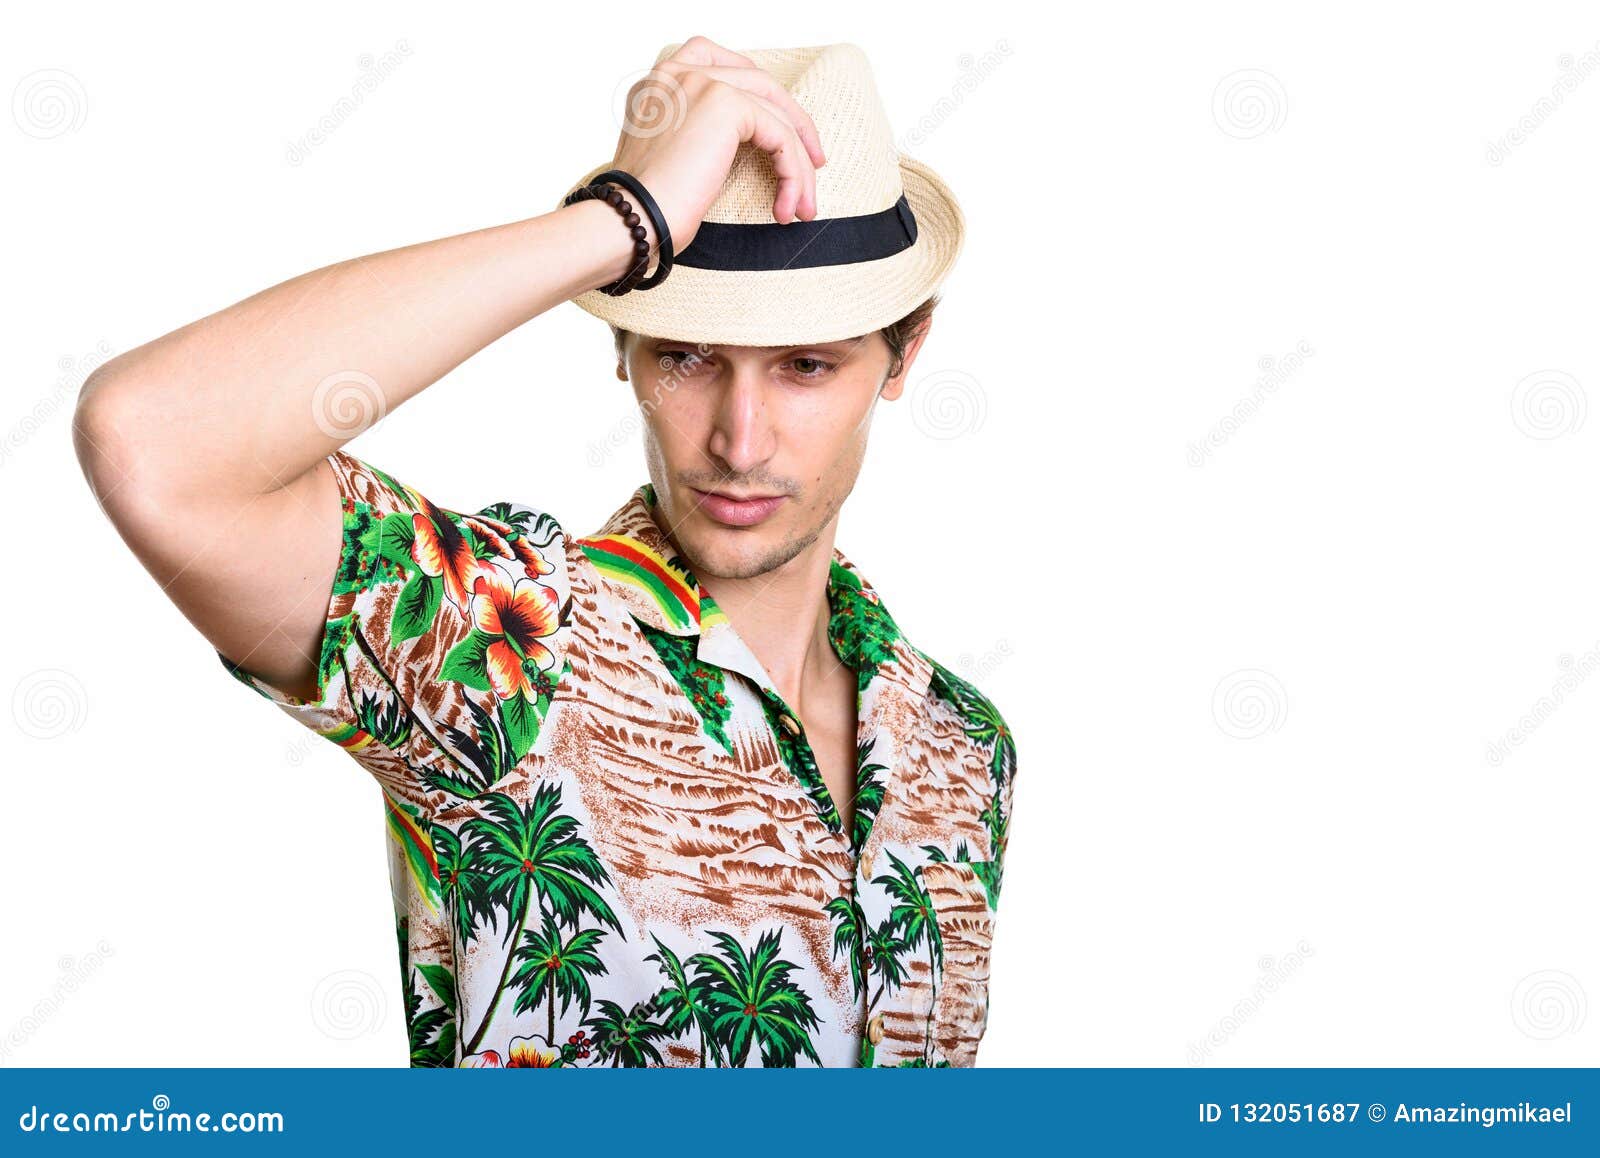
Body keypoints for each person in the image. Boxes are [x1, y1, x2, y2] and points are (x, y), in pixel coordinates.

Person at [73, 36, 1018, 1068]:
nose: (739, 441)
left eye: (804, 366)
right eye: (688, 355)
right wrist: (622, 226)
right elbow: (154, 440)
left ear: (903, 352)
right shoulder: (518, 644)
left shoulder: (963, 745)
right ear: (620, 347)